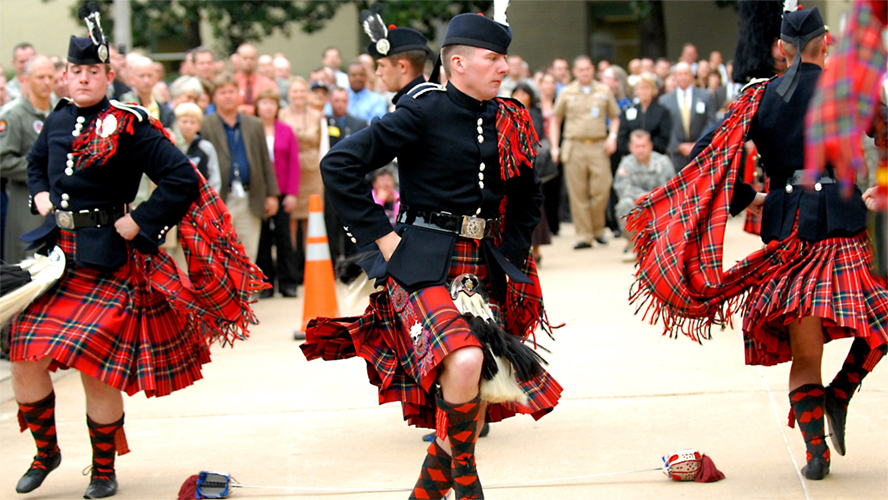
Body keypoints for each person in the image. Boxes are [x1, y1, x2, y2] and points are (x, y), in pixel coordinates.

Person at [300, 10, 562, 499]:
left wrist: (510, 252)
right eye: (493, 58)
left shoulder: (511, 118)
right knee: (465, 362)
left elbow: (529, 199)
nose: (504, 67)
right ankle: (468, 485)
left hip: (482, 268)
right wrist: (382, 238)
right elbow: (339, 164)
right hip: (422, 263)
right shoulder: (423, 111)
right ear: (457, 63)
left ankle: (426, 492)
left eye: (504, 58)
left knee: (477, 377)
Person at [8, 11, 263, 498]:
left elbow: (182, 179)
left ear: (108, 76)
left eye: (92, 72)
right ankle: (46, 452)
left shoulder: (129, 124)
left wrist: (143, 221)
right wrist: (37, 195)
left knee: (93, 367)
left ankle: (103, 469)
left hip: (107, 259)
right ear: (66, 75)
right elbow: (37, 163)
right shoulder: (59, 116)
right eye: (75, 71)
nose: (83, 78)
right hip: (56, 260)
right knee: (23, 352)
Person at [628, 5, 887, 483]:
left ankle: (818, 453)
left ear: (781, 49)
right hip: (843, 228)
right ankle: (841, 394)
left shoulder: (757, 98)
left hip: (789, 231)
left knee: (807, 353)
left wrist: (758, 197)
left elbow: (710, 162)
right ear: (825, 42)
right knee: (881, 322)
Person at [200, 72, 280, 263]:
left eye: (231, 92)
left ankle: (247, 293)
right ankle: (227, 293)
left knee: (248, 252)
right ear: (215, 97)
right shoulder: (205, 125)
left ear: (239, 94)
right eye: (222, 92)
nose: (227, 96)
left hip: (250, 196)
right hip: (220, 198)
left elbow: (264, 160)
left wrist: (272, 194)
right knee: (220, 252)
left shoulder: (254, 124)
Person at [550, 55, 621, 249]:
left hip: (598, 145)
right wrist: (555, 146)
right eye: (580, 70)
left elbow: (615, 117)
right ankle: (584, 235)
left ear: (593, 69)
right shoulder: (567, 92)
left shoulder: (603, 90)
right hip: (574, 145)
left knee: (601, 188)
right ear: (575, 72)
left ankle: (598, 229)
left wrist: (612, 137)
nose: (584, 73)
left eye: (587, 69)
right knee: (577, 192)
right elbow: (556, 120)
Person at [1, 55, 53, 264]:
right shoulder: (14, 116)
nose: (47, 82)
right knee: (28, 261)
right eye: (40, 77)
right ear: (26, 80)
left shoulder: (58, 113)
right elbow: (3, 160)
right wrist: (39, 169)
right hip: (26, 202)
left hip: (55, 202)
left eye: (50, 76)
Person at [279, 77, 328, 286]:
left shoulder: (317, 115)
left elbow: (323, 144)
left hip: (312, 171)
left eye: (301, 91)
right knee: (290, 220)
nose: (298, 95)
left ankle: (313, 268)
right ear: (289, 94)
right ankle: (292, 268)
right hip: (290, 169)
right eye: (295, 91)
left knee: (312, 219)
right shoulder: (281, 114)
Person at [254, 89, 300, 298]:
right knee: (262, 239)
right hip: (259, 192)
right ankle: (265, 284)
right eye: (264, 103)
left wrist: (291, 193)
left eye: (272, 103)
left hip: (282, 191)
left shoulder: (286, 130)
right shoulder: (252, 130)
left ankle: (288, 282)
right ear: (257, 107)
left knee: (284, 237)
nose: (268, 107)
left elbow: (294, 164)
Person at [613, 129, 672, 262]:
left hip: (659, 205)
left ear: (650, 146)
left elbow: (670, 189)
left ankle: (662, 246)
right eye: (637, 146)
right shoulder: (626, 164)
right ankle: (633, 245)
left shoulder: (663, 162)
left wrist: (650, 199)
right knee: (624, 204)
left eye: (643, 146)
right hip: (637, 205)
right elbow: (622, 188)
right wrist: (644, 198)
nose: (641, 150)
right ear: (630, 147)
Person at [511, 82, 551, 263]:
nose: (520, 95)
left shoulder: (534, 114)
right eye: (516, 92)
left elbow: (537, 137)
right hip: (511, 162)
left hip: (531, 160)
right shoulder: (507, 111)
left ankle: (537, 248)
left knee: (534, 204)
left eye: (523, 93)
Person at [658, 61, 716, 172]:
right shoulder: (664, 100)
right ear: (675, 77)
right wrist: (678, 146)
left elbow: (710, 122)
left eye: (686, 73)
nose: (683, 77)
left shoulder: (705, 96)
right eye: (680, 74)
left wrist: (699, 143)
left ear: (692, 76)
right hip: (676, 155)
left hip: (701, 152)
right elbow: (665, 126)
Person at [616, 73, 672, 158]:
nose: (644, 91)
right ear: (636, 91)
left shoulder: (662, 111)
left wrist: (646, 149)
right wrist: (635, 149)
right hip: (631, 156)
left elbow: (664, 136)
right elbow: (622, 135)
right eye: (641, 88)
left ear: (653, 90)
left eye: (647, 88)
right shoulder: (628, 110)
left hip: (655, 155)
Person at [173, 102, 221, 193]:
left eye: (192, 122)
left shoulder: (206, 147)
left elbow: (214, 178)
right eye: (184, 121)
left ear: (199, 125)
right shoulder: (171, 146)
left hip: (200, 198)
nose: (188, 126)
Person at [120, 56, 174, 128]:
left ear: (156, 78)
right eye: (141, 76)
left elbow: (178, 137)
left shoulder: (166, 111)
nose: (146, 81)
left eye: (150, 75)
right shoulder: (124, 107)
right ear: (132, 79)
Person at [233, 44, 277, 116]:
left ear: (256, 59)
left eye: (252, 58)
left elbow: (274, 107)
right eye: (245, 58)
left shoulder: (268, 83)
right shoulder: (232, 82)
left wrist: (246, 109)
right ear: (238, 60)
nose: (249, 61)